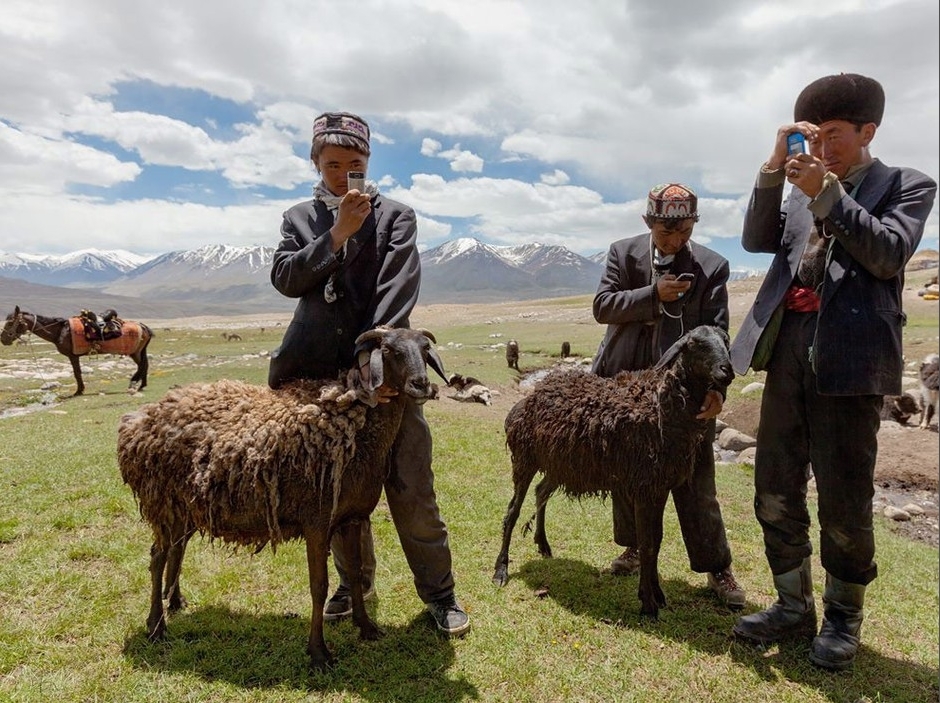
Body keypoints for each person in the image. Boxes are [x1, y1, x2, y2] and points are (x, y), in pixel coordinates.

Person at [729, 74, 936, 670]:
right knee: (772, 486)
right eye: (812, 137)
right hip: (788, 350)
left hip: (851, 361)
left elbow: (887, 253)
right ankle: (792, 605)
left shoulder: (906, 185)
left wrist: (827, 194)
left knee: (845, 498)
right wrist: (774, 170)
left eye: (835, 136)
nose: (820, 149)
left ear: (868, 132)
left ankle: (843, 621)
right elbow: (754, 238)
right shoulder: (798, 187)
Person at [267, 111, 470, 636]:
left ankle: (440, 594)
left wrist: (373, 360)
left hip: (383, 374)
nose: (343, 174)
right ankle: (353, 583)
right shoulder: (299, 218)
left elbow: (397, 293)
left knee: (409, 482)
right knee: (333, 489)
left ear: (368, 163)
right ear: (315, 162)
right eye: (332, 164)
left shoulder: (397, 217)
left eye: (354, 164)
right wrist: (338, 233)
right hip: (316, 381)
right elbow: (287, 279)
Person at [591, 183, 746, 609]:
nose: (676, 241)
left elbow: (718, 333)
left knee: (697, 480)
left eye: (684, 232)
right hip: (624, 388)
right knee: (627, 472)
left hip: (685, 396)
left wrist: (716, 389)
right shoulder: (623, 254)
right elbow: (603, 306)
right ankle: (634, 546)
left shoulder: (713, 266)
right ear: (648, 223)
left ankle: (717, 567)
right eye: (666, 233)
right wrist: (652, 296)